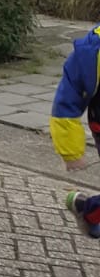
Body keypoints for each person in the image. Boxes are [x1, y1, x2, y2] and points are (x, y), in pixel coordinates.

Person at [52, 22, 100, 237]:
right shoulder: (94, 49)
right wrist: (71, 150)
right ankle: (88, 212)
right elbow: (68, 98)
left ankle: (87, 210)